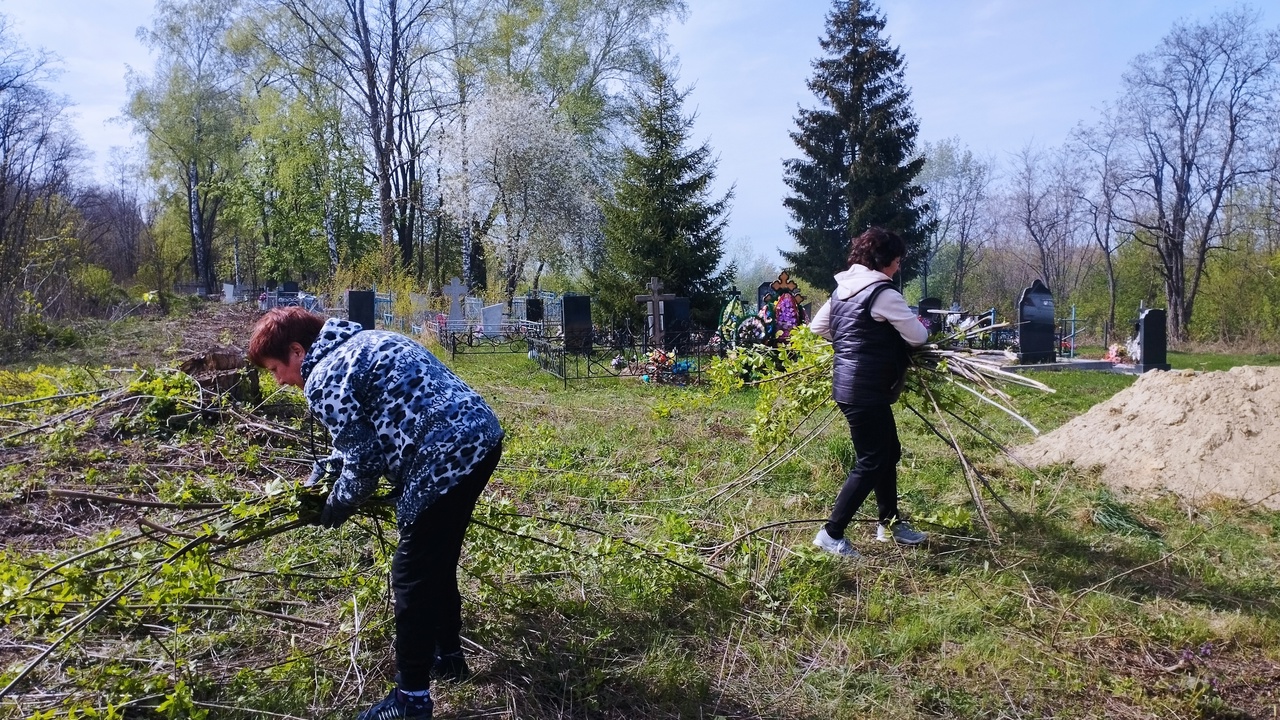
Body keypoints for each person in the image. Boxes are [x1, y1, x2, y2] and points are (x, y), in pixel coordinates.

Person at [249, 307, 504, 720]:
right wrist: (323, 475)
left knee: (411, 574)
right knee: (435, 559)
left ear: (297, 351)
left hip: (442, 457)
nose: (279, 379)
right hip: (480, 437)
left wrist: (338, 503)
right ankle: (449, 658)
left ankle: (411, 700)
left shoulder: (324, 375)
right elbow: (358, 432)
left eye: (276, 368)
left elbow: (365, 461)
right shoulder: (366, 342)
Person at [807, 227, 930, 559]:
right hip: (867, 389)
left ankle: (888, 524)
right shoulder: (883, 292)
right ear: (885, 260)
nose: (899, 267)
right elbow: (918, 336)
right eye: (897, 260)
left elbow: (817, 327)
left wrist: (849, 345)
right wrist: (868, 345)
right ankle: (831, 535)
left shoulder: (842, 289)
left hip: (850, 387)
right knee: (872, 460)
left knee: (888, 452)